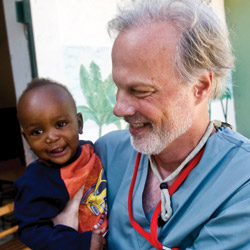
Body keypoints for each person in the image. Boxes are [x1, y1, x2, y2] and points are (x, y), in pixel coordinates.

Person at [55, 0, 250, 249]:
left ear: (200, 87)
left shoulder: (241, 181)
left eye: (140, 91)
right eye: (119, 87)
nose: (119, 108)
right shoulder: (105, 155)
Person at [14, 78, 107, 250]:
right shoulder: (34, 182)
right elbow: (31, 231)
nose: (51, 137)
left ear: (79, 124)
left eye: (60, 124)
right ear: (26, 139)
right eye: (37, 132)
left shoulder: (91, 150)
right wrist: (79, 243)